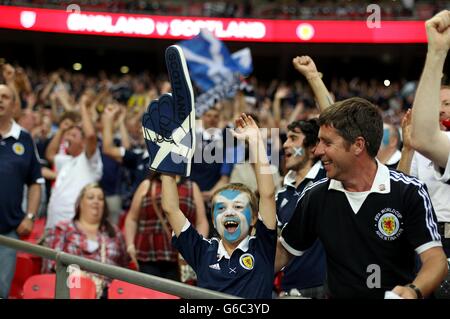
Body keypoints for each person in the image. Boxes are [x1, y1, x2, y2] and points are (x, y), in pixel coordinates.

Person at [276, 97, 448, 299]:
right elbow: (283, 252)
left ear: (358, 145)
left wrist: (412, 291)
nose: (317, 150)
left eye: (327, 142)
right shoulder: (315, 195)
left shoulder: (408, 191)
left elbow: (436, 260)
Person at [161, 113, 277, 298]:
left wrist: (255, 142)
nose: (229, 212)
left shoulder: (263, 247)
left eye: (238, 207)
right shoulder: (202, 251)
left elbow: (268, 194)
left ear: (254, 218)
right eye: (221, 208)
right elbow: (171, 208)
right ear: (213, 220)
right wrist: (166, 161)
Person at [404, 10, 450, 257]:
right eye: (438, 104)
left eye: (448, 104)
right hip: (428, 237)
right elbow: (422, 138)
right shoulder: (434, 144)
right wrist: (437, 51)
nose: (442, 110)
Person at [42, 183, 128, 298]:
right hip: (72, 290)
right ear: (80, 203)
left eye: (100, 198)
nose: (96, 201)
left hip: (108, 293)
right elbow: (51, 264)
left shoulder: (115, 232)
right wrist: (79, 275)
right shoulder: (63, 229)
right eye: (90, 197)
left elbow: (124, 270)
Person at [0, 83, 43, 298]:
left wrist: (30, 216)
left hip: (8, 231)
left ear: (14, 105)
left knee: (1, 290)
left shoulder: (24, 138)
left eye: (5, 96)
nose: (0, 100)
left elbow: (36, 182)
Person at [275, 119, 327, 298]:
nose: (285, 144)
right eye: (286, 138)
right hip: (288, 288)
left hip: (325, 288)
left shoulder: (328, 180)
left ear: (313, 148)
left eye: (293, 138)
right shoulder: (282, 193)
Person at [124, 172, 209, 282]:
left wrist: (197, 248)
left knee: (178, 295)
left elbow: (201, 222)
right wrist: (130, 245)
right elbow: (132, 218)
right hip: (147, 255)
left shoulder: (191, 187)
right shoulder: (148, 184)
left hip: (181, 258)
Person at [45, 93, 103, 229]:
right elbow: (50, 154)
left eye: (73, 135)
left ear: (83, 143)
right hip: (53, 226)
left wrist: (82, 105)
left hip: (73, 228)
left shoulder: (89, 160)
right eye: (67, 135)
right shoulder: (67, 161)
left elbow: (90, 135)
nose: (67, 138)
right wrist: (61, 130)